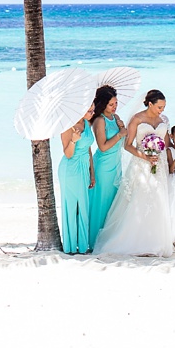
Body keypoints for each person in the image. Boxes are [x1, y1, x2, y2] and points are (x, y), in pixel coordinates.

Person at [94, 90, 175, 256]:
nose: (162, 110)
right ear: (150, 104)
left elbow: (166, 144)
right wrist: (145, 156)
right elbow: (127, 145)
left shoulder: (163, 120)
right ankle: (135, 241)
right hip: (141, 165)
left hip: (158, 164)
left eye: (164, 107)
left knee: (158, 199)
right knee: (140, 200)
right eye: (159, 106)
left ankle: (155, 241)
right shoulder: (137, 119)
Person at [56, 105, 96, 254]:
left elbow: (89, 149)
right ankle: (71, 247)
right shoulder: (67, 127)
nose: (92, 113)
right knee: (71, 206)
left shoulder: (87, 123)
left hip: (84, 169)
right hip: (70, 169)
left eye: (93, 110)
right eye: (89, 110)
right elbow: (68, 154)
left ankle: (83, 245)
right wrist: (73, 140)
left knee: (84, 206)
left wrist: (92, 173)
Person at [87, 86, 127, 231]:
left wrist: (122, 129)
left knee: (113, 201)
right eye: (111, 104)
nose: (114, 107)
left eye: (116, 103)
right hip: (103, 166)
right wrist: (120, 134)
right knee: (101, 201)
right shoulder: (99, 120)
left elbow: (121, 142)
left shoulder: (115, 118)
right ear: (103, 104)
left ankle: (109, 235)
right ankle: (95, 237)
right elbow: (102, 146)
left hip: (116, 164)